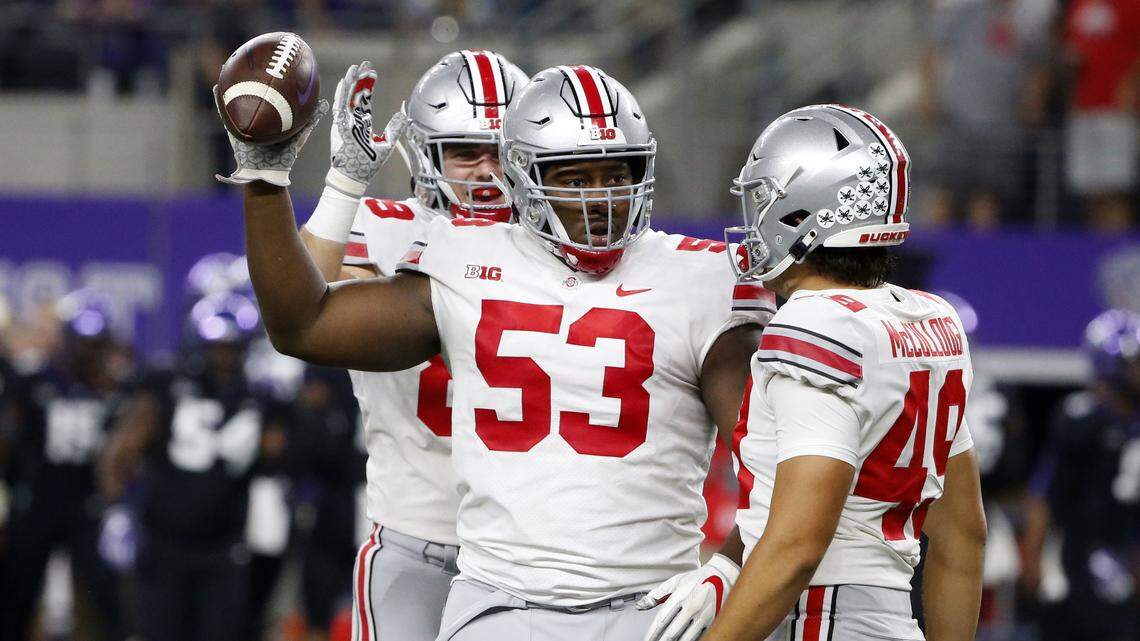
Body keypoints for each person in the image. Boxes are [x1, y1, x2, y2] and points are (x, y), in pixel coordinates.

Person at [216, 61, 774, 640]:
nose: (601, 198)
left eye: (617, 173)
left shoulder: (701, 275)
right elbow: (301, 324)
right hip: (487, 586)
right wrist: (277, 178)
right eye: (573, 178)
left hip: (642, 593)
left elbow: (773, 460)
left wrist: (730, 563)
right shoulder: (453, 250)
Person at [663, 104, 986, 641]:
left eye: (764, 201)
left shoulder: (816, 323)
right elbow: (962, 536)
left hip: (817, 619)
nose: (753, 219)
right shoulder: (931, 320)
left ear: (802, 214)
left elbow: (796, 547)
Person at [296, 50, 529, 641]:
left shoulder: (565, 249)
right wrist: (345, 182)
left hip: (535, 544)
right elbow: (296, 304)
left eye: (500, 152)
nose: (485, 171)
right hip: (417, 533)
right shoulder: (385, 226)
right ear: (426, 154)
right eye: (464, 152)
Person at [99, 291, 287, 641]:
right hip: (164, 544)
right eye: (217, 347)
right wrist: (116, 511)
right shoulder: (167, 387)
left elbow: (282, 453)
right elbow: (119, 452)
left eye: (233, 348)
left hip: (225, 548)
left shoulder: (258, 397)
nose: (224, 358)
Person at [0, 290, 129, 641]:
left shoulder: (117, 387)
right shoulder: (34, 380)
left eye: (95, 343)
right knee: (16, 594)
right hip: (37, 499)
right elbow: (10, 441)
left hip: (88, 504)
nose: (87, 351)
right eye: (82, 341)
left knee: (105, 594)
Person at [1022, 309, 1140, 641]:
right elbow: (1043, 494)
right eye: (1135, 362)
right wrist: (1033, 554)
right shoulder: (1082, 419)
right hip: (1087, 553)